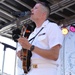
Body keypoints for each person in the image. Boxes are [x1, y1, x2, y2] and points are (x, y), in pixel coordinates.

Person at [16, 2, 64, 75]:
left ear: (43, 14)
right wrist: (22, 54)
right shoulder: (32, 34)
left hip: (46, 71)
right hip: (30, 70)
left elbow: (54, 55)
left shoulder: (52, 27)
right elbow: (31, 54)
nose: (31, 10)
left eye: (35, 8)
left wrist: (30, 46)